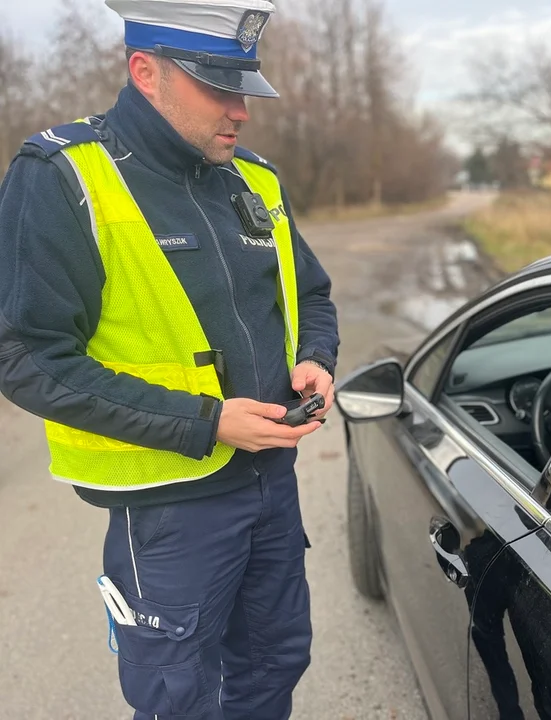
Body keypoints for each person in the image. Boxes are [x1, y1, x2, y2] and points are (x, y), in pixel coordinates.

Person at [0, 2, 339, 718]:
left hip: (270, 486)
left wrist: (315, 355)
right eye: (218, 85)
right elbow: (26, 355)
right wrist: (206, 420)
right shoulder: (65, 176)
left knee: (276, 661)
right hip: (169, 509)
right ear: (145, 72)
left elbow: (309, 292)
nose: (240, 110)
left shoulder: (255, 179)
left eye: (244, 86)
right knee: (178, 695)